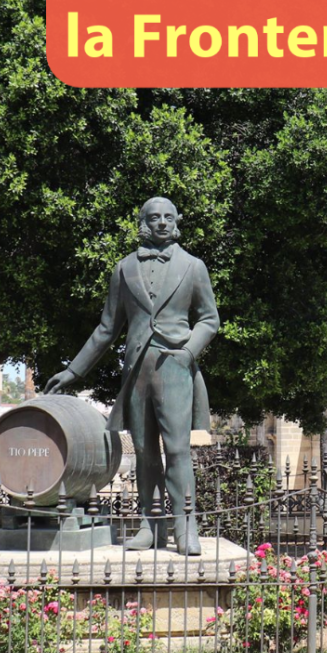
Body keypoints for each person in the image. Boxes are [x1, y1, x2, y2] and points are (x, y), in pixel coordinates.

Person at [45, 197, 219, 554]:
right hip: (137, 369)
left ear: (177, 221)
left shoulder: (193, 266)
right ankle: (150, 526)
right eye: (154, 218)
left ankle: (186, 529)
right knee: (143, 453)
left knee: (178, 450)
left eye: (168, 217)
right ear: (143, 222)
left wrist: (188, 352)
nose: (162, 223)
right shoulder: (124, 268)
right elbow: (107, 329)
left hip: (175, 366)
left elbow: (209, 319)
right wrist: (73, 371)